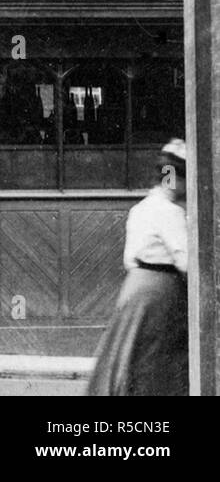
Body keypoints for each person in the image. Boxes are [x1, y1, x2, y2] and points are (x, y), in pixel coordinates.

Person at [87, 139, 189, 396]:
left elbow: (130, 258)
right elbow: (186, 260)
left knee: (131, 354)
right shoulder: (169, 212)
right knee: (155, 359)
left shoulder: (141, 207)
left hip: (135, 288)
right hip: (160, 294)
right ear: (175, 179)